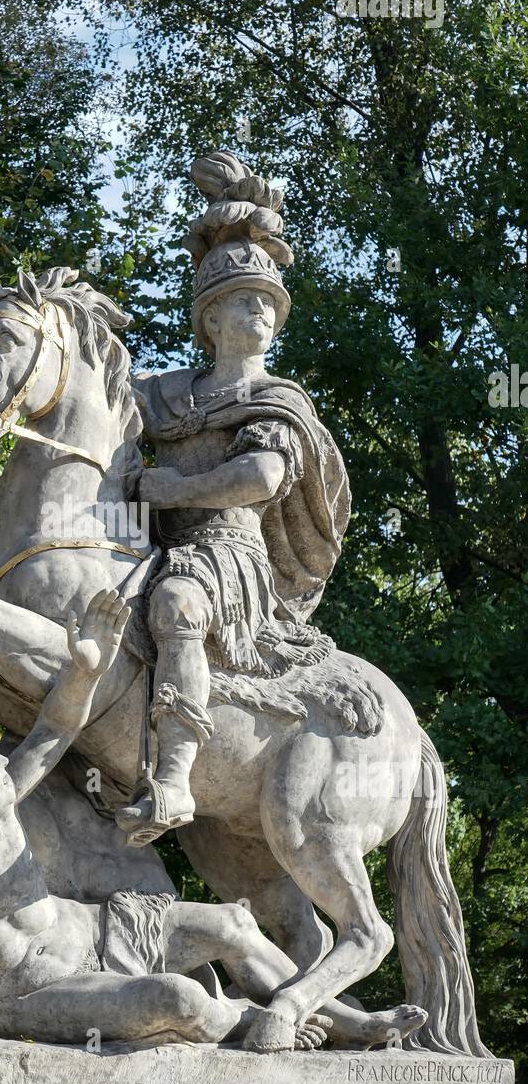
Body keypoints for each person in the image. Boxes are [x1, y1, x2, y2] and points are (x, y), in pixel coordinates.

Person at [0, 589, 425, 1052]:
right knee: (176, 1000)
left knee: (230, 924)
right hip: (33, 989)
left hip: (96, 928)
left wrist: (89, 666)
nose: (0, 756)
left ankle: (344, 1021)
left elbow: (56, 728)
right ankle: (248, 1022)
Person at [121, 152, 351, 843]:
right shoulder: (161, 393)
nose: (261, 311)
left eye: (268, 302)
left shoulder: (276, 398)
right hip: (143, 538)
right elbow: (93, 417)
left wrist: (177, 488)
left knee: (176, 604)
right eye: (244, 300)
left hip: (228, 549)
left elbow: (262, 480)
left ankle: (172, 778)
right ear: (210, 318)